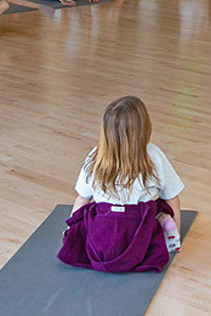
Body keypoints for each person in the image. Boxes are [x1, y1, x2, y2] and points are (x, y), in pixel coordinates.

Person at [57, 96, 185, 273]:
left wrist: (71, 230)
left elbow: (82, 198)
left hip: (102, 237)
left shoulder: (95, 156)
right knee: (159, 206)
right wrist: (176, 234)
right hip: (140, 236)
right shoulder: (153, 155)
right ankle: (164, 224)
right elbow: (172, 197)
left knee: (88, 212)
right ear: (144, 127)